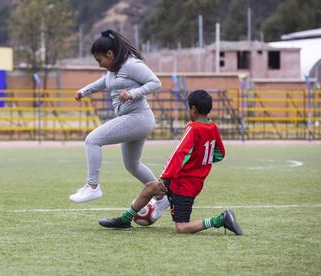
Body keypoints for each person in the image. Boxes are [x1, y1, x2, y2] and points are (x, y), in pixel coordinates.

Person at [99, 90, 243, 235]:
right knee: (150, 187)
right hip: (188, 182)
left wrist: (165, 177)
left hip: (183, 186)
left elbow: (179, 154)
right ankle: (124, 219)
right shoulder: (212, 127)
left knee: (181, 228)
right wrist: (200, 160)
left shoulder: (193, 128)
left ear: (193, 109)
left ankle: (220, 219)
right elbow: (220, 153)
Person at [68, 29, 169, 217]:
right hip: (135, 120)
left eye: (100, 60)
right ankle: (163, 198)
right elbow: (103, 83)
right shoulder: (112, 71)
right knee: (133, 165)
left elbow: (156, 83)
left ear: (110, 54)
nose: (99, 65)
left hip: (139, 117)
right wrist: (83, 91)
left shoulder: (131, 65)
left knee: (92, 140)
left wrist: (132, 93)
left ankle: (92, 186)